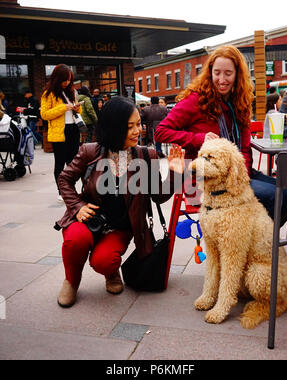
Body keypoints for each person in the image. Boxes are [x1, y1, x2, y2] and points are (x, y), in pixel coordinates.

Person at [54, 96, 185, 307]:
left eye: (138, 124)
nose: (138, 130)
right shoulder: (90, 151)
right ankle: (71, 281)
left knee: (104, 260)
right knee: (74, 241)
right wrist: (77, 207)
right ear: (114, 127)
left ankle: (111, 272)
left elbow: (158, 196)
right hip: (88, 220)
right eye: (130, 126)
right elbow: (64, 179)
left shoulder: (145, 155)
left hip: (119, 228)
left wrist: (175, 174)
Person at [155, 45, 287, 226]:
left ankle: (259, 240)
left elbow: (245, 148)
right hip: (203, 180)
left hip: (236, 174)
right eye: (217, 73)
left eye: (228, 73)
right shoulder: (195, 100)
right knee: (272, 196)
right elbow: (160, 132)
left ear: (237, 74)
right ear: (210, 73)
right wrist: (199, 139)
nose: (222, 79)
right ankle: (252, 241)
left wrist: (240, 177)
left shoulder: (241, 101)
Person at [40, 63, 82, 202]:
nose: (67, 82)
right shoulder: (48, 94)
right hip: (59, 132)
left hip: (73, 129)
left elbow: (77, 111)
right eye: (65, 80)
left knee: (73, 163)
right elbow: (44, 114)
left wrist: (77, 108)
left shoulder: (71, 91)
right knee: (60, 163)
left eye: (70, 79)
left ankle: (72, 189)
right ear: (57, 78)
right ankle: (61, 191)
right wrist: (63, 107)